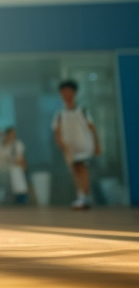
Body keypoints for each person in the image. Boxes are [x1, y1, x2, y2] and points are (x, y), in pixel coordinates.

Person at [52, 80, 101, 210]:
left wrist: (97, 145)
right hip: (69, 149)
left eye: (69, 91)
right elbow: (56, 131)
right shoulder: (59, 114)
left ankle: (85, 197)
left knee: (81, 167)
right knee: (75, 171)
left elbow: (92, 128)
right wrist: (60, 142)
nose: (66, 94)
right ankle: (82, 196)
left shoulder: (83, 110)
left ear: (74, 93)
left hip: (84, 146)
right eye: (63, 92)